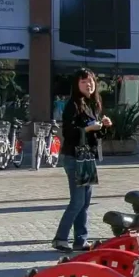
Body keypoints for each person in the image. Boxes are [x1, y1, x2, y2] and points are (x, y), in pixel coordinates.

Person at [52, 68, 111, 253]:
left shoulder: (93, 103)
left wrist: (103, 126)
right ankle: (60, 238)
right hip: (74, 158)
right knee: (77, 202)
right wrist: (87, 129)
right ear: (77, 85)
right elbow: (69, 133)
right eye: (84, 82)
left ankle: (81, 240)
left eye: (91, 81)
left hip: (88, 157)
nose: (89, 85)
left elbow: (95, 133)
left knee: (85, 202)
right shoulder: (73, 105)